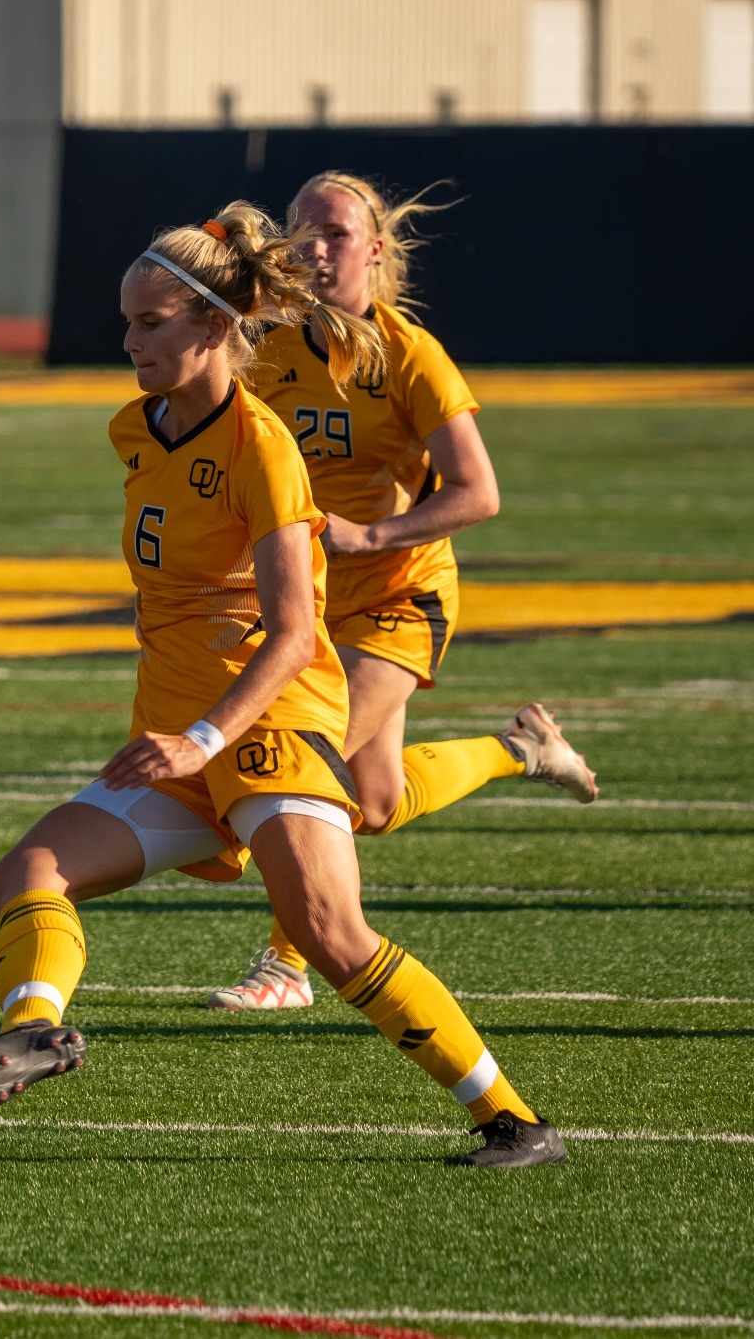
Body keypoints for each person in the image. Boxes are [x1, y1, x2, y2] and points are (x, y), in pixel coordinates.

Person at [0, 203, 566, 1170]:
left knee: (330, 933)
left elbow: (297, 632)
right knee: (29, 870)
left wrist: (205, 739)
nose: (129, 341)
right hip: (180, 736)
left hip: (264, 724)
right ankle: (33, 1035)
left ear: (215, 328)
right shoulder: (132, 430)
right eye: (126, 321)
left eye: (151, 322)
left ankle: (513, 1123)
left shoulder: (263, 451)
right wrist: (180, 731)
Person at [206, 172, 599, 1012]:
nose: (316, 245)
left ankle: (285, 964)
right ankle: (518, 749)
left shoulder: (408, 354)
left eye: (337, 232)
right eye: (302, 230)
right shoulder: (267, 350)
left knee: (312, 768)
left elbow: (478, 492)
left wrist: (374, 535)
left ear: (376, 250)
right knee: (376, 801)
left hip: (400, 594)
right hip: (312, 600)